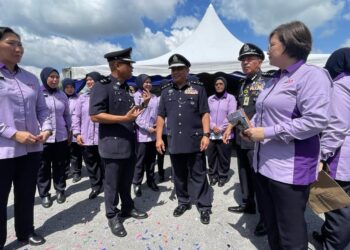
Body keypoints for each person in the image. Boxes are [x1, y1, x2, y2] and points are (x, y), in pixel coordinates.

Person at [243, 21, 332, 249]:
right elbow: (267, 114)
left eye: (271, 45)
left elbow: (316, 121)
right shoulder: (274, 79)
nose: (267, 51)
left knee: (290, 234)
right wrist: (252, 127)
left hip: (288, 171)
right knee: (272, 227)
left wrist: (266, 132)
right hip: (263, 166)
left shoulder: (312, 76)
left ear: (288, 45)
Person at [0, 27, 52, 248]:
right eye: (12, 43)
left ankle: (25, 231)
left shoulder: (30, 78)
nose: (18, 48)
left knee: (26, 193)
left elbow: (43, 110)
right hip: (3, 150)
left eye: (20, 43)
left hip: (31, 149)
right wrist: (13, 133)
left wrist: (47, 128)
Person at [89, 47, 149, 237]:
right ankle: (112, 215)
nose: (131, 68)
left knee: (126, 181)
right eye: (128, 64)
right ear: (116, 65)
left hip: (128, 143)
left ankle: (127, 207)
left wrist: (143, 105)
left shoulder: (126, 88)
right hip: (112, 145)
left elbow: (128, 114)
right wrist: (123, 119)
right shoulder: (102, 86)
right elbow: (95, 115)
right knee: (112, 184)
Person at [156, 53, 212, 225]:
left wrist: (206, 134)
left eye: (179, 68)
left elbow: (205, 114)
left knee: (198, 174)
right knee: (178, 175)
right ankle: (183, 202)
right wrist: (159, 138)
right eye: (173, 69)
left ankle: (204, 206)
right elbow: (160, 116)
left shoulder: (198, 89)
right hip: (175, 141)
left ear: (187, 70)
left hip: (195, 141)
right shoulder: (166, 92)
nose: (175, 72)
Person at [223, 43, 267, 236]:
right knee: (244, 174)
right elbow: (240, 109)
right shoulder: (242, 84)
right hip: (242, 137)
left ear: (260, 61)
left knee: (260, 179)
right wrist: (229, 127)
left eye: (249, 59)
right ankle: (249, 204)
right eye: (243, 60)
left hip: (257, 138)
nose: (245, 63)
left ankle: (265, 218)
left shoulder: (268, 82)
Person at [312, 48, 350, 250]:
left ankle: (333, 246)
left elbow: (337, 126)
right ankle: (329, 237)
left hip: (342, 158)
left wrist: (322, 155)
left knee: (337, 208)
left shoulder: (341, 85)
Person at [37, 67, 71, 208]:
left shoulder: (62, 95)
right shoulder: (37, 93)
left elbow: (67, 114)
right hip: (43, 137)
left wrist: (69, 131)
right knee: (43, 167)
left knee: (60, 164)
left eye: (57, 77)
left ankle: (60, 189)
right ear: (45, 78)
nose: (55, 80)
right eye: (51, 77)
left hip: (61, 136)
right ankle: (44, 194)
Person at [72, 72, 104, 199]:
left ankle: (107, 184)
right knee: (91, 163)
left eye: (92, 80)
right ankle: (95, 186)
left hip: (102, 137)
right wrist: (77, 133)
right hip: (86, 137)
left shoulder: (104, 96)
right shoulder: (82, 98)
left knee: (104, 162)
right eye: (88, 80)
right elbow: (76, 116)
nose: (89, 82)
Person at [132, 74, 159, 197]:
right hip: (141, 135)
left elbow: (158, 114)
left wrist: (156, 125)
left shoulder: (154, 97)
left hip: (153, 135)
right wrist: (147, 128)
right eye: (145, 82)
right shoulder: (136, 96)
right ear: (140, 83)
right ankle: (137, 183)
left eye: (150, 82)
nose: (148, 84)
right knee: (140, 160)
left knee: (151, 160)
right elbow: (136, 116)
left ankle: (151, 180)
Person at [207, 76, 236, 187]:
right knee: (211, 156)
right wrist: (213, 126)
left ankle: (223, 176)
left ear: (225, 85)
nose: (218, 86)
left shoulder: (230, 98)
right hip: (212, 133)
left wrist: (221, 127)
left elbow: (231, 114)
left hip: (225, 133)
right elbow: (207, 114)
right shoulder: (210, 99)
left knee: (224, 156)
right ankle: (213, 175)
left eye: (221, 84)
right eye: (216, 84)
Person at [62, 78, 83, 182]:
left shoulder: (78, 98)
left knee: (76, 152)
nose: (70, 89)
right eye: (67, 87)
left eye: (72, 87)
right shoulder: (60, 98)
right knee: (64, 152)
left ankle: (76, 172)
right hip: (63, 129)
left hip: (74, 128)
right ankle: (65, 172)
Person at [156, 79, 170, 182]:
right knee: (161, 155)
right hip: (163, 133)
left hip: (172, 132)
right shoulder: (157, 100)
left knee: (176, 154)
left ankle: (176, 173)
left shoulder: (173, 97)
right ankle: (161, 173)